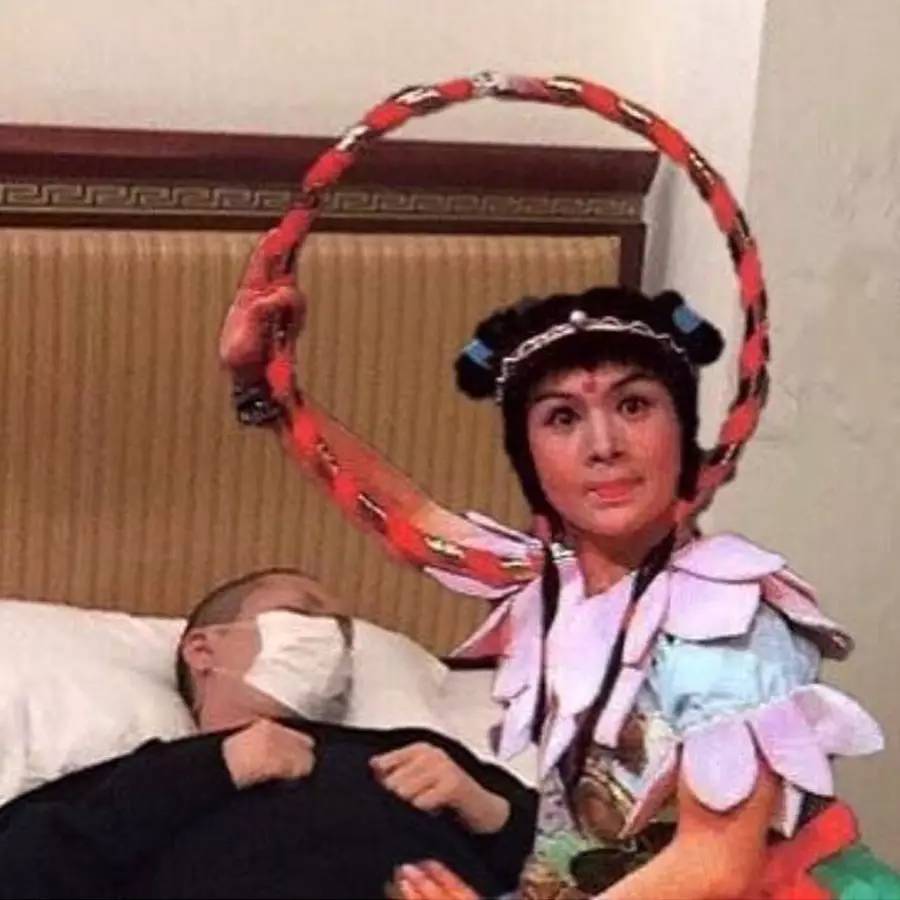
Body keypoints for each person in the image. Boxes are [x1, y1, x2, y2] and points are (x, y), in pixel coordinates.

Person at [219, 281, 900, 899]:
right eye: (562, 418)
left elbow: (716, 865)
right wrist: (267, 386)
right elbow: (411, 519)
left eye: (633, 405)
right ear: (530, 459)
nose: (604, 445)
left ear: (682, 432)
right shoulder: (556, 582)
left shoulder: (727, 621)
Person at [0, 567, 536, 899]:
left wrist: (490, 810)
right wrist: (212, 769)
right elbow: (20, 869)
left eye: (342, 632)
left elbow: (571, 860)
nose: (329, 638)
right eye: (302, 614)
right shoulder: (150, 775)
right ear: (202, 650)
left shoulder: (415, 752)